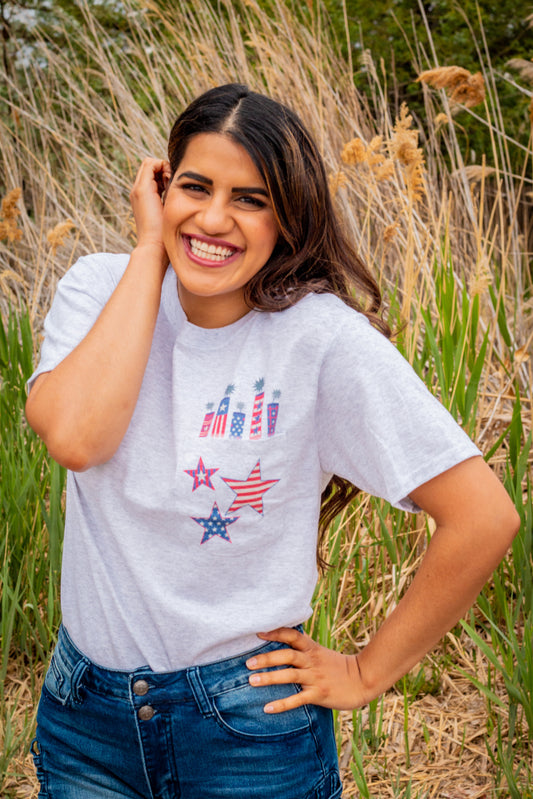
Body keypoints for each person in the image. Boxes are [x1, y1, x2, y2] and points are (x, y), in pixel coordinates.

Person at [25, 83, 519, 799]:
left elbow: (483, 516)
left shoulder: (318, 341)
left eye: (250, 199)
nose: (214, 218)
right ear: (160, 187)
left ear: (287, 217)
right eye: (194, 187)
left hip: (245, 729)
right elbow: (76, 435)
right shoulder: (97, 288)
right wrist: (146, 251)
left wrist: (364, 671)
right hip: (86, 721)